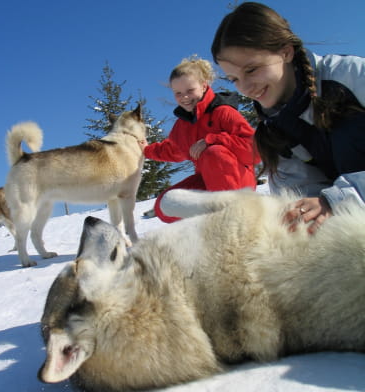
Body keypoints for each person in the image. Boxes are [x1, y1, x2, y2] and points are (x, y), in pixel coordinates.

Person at [211, 1, 365, 233]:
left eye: (251, 70)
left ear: (285, 51)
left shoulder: (350, 76)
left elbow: (332, 202)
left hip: (353, 202)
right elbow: (305, 195)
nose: (245, 88)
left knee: (348, 136)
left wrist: (340, 199)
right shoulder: (274, 131)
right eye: (234, 79)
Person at [143, 56, 259, 223]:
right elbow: (172, 150)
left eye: (190, 90)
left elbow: (255, 151)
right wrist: (144, 150)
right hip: (208, 183)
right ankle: (213, 224)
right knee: (166, 204)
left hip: (238, 185)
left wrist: (213, 140)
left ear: (204, 86)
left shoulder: (223, 112)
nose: (185, 97)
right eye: (178, 93)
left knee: (214, 153)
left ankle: (238, 220)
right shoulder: (182, 126)